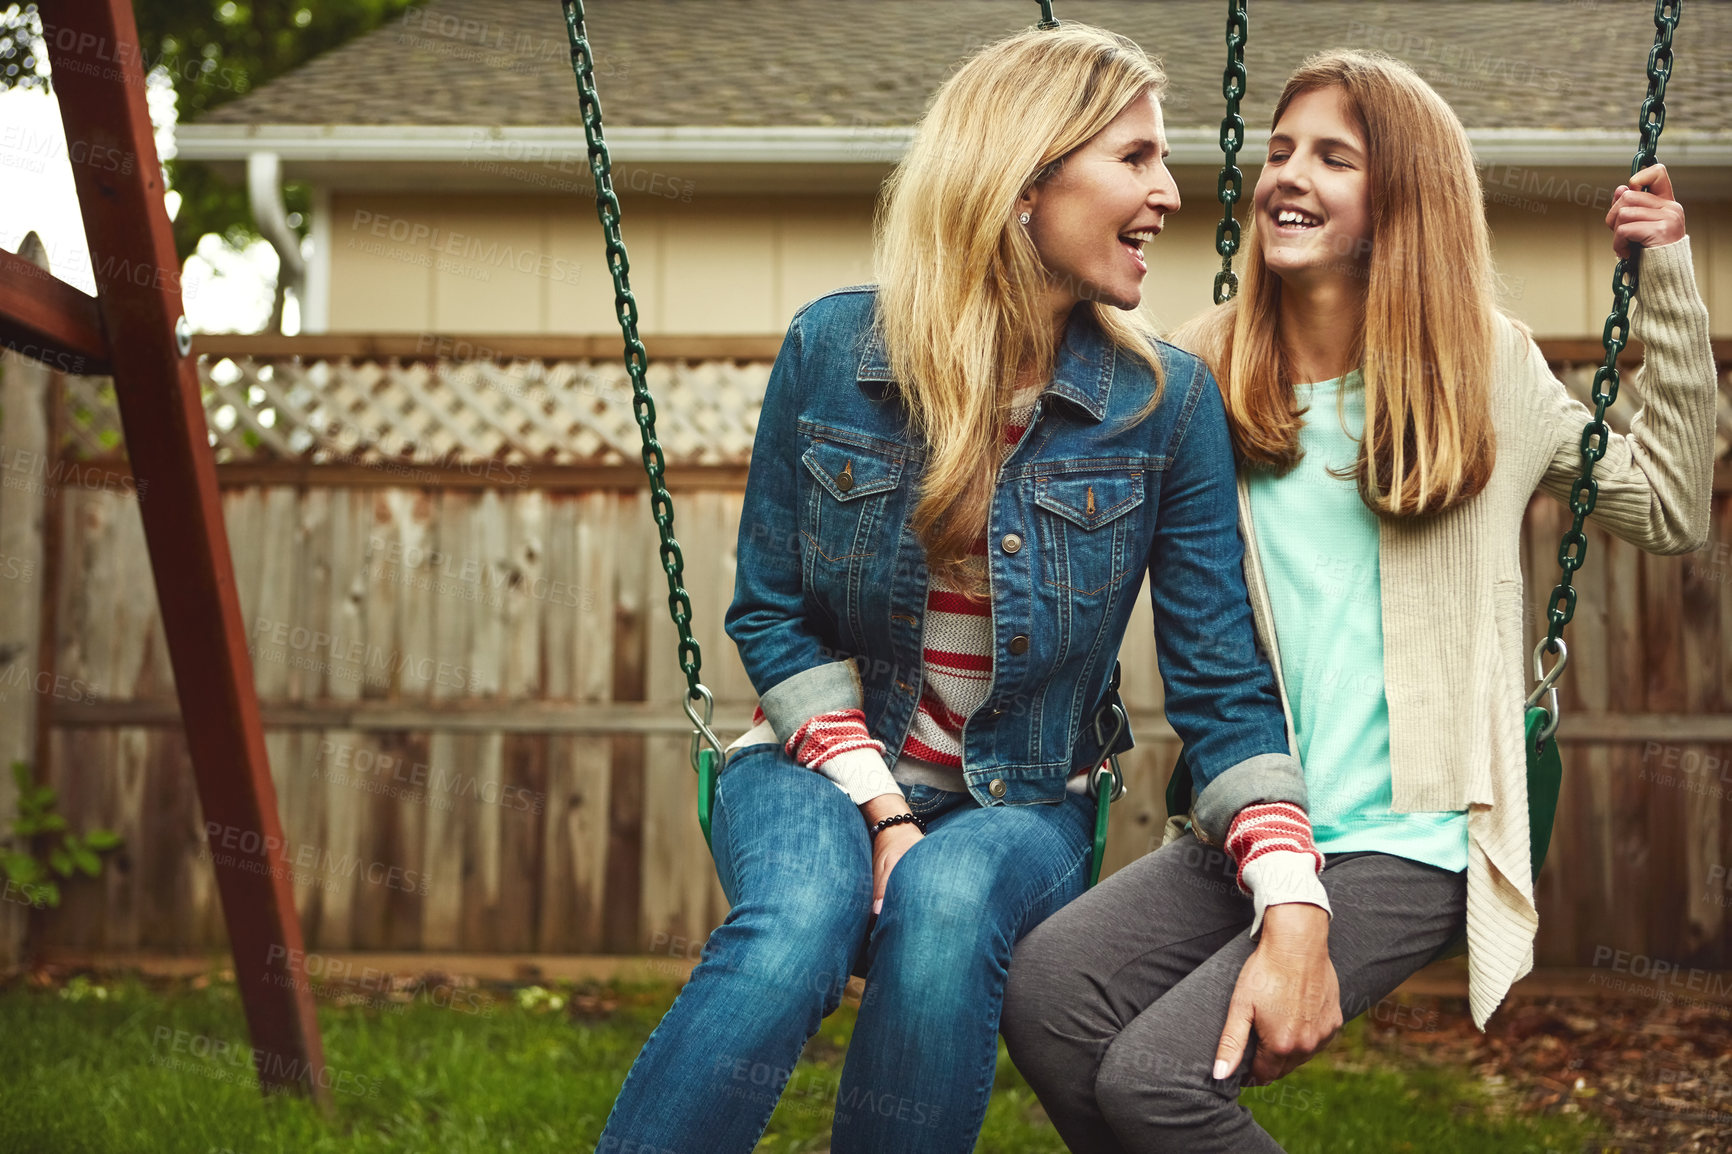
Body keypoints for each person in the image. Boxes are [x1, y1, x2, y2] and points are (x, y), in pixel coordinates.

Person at [594, 22, 1318, 1154]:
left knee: (942, 901)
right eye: (1134, 159)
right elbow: (770, 612)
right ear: (1025, 179)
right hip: (819, 765)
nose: (1169, 193)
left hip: (1024, 798)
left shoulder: (1163, 404)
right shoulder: (833, 349)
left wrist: (1291, 893)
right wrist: (882, 807)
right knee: (794, 923)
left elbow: (1223, 686)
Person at [1000, 49, 1717, 1153]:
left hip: (1413, 840)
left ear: (1406, 196)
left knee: (1157, 1082)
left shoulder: (1484, 369)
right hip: (1255, 815)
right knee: (1049, 987)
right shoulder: (1201, 366)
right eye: (1281, 149)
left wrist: (1664, 275)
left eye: (1333, 156)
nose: (1288, 174)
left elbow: (1669, 506)